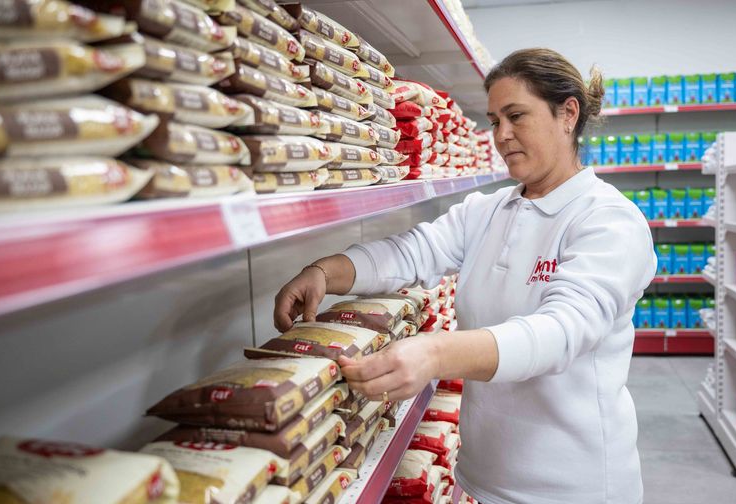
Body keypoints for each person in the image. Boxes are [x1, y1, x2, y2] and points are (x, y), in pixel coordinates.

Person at [273, 48, 656, 504]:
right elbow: (411, 252)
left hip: (573, 487)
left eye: (517, 116)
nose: (502, 135)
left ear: (567, 113)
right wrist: (324, 272)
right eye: (495, 121)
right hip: (482, 476)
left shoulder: (609, 220)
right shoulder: (489, 210)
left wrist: (435, 352)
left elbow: (561, 332)